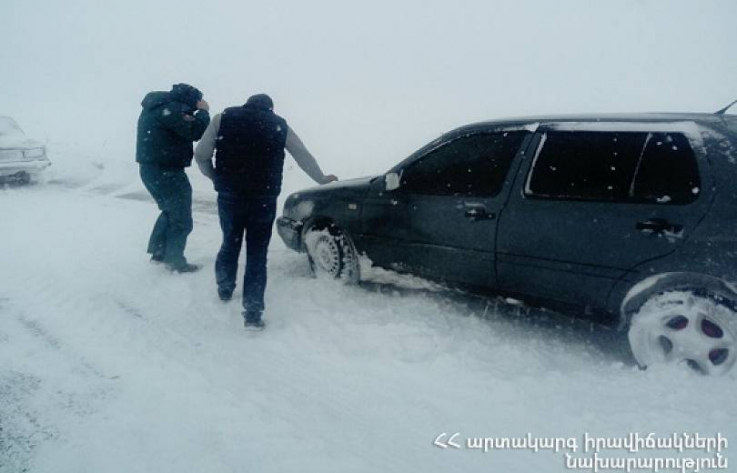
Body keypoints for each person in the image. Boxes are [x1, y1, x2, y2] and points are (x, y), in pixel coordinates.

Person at [195, 94, 337, 330]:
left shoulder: (222, 118)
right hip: (263, 196)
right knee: (257, 252)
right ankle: (252, 312)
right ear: (270, 109)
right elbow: (302, 155)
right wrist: (321, 179)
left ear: (246, 104)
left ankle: (224, 287)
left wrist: (215, 177)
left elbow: (201, 155)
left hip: (229, 194)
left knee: (230, 241)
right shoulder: (278, 124)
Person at [136, 83, 211, 273]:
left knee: (170, 211)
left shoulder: (158, 106)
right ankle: (175, 260)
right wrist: (203, 112)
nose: (192, 109)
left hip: (151, 169)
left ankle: (159, 252)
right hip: (167, 171)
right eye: (194, 104)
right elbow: (195, 131)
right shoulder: (171, 109)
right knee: (181, 218)